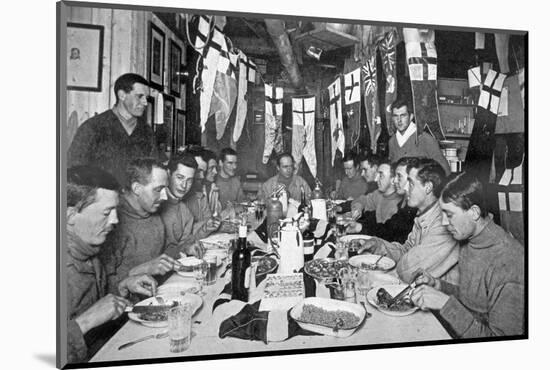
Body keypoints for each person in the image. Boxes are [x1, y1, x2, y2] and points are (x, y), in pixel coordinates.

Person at [410, 173, 524, 338]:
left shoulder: (509, 262)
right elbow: (474, 302)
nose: (443, 222)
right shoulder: (470, 240)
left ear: (474, 212)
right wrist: (438, 286)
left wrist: (445, 304)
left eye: (449, 215)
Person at [66, 166, 157, 363]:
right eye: (106, 212)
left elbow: (100, 307)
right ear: (70, 216)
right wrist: (84, 322)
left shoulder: (90, 252)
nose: (115, 220)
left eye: (115, 211)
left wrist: (122, 288)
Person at [357, 158, 459, 284]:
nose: (406, 188)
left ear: (428, 187)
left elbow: (410, 270)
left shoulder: (442, 223)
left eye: (411, 183)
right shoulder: (423, 214)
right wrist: (379, 245)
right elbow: (406, 250)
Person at [99, 158, 187, 292]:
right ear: (137, 188)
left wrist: (185, 248)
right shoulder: (110, 222)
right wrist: (141, 270)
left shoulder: (153, 212)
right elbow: (102, 290)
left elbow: (162, 256)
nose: (164, 197)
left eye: (165, 189)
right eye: (158, 190)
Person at [68, 73, 159, 185]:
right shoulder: (93, 127)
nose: (145, 103)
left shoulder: (147, 132)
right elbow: (73, 171)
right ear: (122, 95)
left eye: (147, 98)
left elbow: (154, 172)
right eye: (139, 96)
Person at [347, 157, 416, 243]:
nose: (395, 180)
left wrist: (360, 227)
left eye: (399, 176)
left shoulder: (405, 205)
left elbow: (389, 235)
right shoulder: (399, 201)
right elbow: (387, 229)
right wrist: (359, 223)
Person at [160, 153, 215, 258]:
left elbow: (185, 242)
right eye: (180, 178)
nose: (184, 185)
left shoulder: (184, 210)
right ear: (168, 174)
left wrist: (188, 247)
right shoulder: (155, 204)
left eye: (189, 180)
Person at [388, 98, 451, 175]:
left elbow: (445, 170)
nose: (399, 120)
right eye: (395, 116)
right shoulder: (392, 142)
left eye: (403, 115)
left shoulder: (425, 139)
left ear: (411, 117)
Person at [350, 158, 403, 224]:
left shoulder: (398, 204)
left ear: (393, 180)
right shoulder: (378, 194)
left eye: (381, 176)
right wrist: (358, 208)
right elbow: (361, 199)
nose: (376, 179)